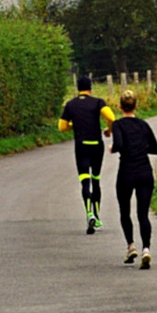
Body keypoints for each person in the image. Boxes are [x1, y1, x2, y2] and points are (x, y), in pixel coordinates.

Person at [108, 89, 157, 268]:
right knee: (143, 214)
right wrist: (140, 147)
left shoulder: (118, 125)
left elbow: (120, 144)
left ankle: (131, 246)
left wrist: (113, 148)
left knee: (125, 212)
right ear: (136, 106)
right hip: (145, 171)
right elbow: (155, 149)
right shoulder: (143, 125)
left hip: (127, 172)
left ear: (120, 106)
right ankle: (146, 248)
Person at [59, 75, 118, 234]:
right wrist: (109, 130)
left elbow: (62, 127)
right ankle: (98, 216)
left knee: (85, 181)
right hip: (96, 145)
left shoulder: (70, 105)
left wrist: (74, 124)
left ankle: (89, 213)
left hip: (81, 146)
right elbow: (111, 117)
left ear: (77, 89)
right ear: (90, 89)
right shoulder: (98, 102)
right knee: (96, 180)